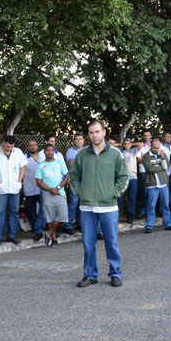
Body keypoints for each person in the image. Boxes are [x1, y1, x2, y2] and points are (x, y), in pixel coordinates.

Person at [69, 120, 129, 288]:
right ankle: (90, 275)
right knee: (88, 244)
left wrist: (114, 193)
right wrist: (81, 192)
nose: (94, 135)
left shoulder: (115, 154)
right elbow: (73, 176)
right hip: (87, 207)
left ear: (103, 132)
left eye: (97, 131)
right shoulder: (81, 155)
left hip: (109, 207)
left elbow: (123, 177)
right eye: (91, 132)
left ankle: (115, 273)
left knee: (111, 242)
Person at [0, 135, 27, 247]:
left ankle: (11, 236)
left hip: (15, 187)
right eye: (7, 146)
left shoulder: (17, 152)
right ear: (3, 142)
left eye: (11, 147)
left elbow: (22, 167)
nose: (9, 149)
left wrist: (19, 181)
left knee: (14, 212)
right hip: (2, 188)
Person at [35, 143, 69, 246]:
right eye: (47, 150)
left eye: (51, 150)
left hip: (60, 193)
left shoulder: (60, 163)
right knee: (50, 217)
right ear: (44, 152)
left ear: (54, 151)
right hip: (47, 194)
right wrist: (50, 189)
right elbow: (39, 182)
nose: (49, 152)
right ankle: (53, 239)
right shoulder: (40, 166)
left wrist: (57, 188)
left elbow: (67, 176)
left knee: (63, 216)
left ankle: (48, 233)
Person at [143, 139, 171, 232]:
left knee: (166, 205)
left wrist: (162, 159)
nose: (156, 149)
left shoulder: (162, 155)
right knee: (151, 206)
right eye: (154, 147)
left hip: (163, 183)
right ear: (150, 146)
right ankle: (149, 226)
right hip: (152, 184)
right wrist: (161, 166)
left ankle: (168, 224)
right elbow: (150, 169)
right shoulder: (146, 156)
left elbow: (167, 166)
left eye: (157, 148)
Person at [23, 140, 47, 241]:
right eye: (30, 145)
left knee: (43, 208)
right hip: (29, 187)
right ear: (27, 147)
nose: (32, 147)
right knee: (31, 210)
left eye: (34, 145)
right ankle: (35, 227)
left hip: (41, 187)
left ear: (37, 146)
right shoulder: (24, 158)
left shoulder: (43, 156)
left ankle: (40, 226)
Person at [65, 132, 86, 232]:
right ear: (74, 141)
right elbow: (71, 163)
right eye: (76, 139)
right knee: (73, 202)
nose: (78, 141)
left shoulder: (87, 150)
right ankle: (67, 224)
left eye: (80, 139)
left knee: (82, 203)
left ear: (83, 140)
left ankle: (79, 223)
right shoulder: (70, 151)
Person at [118, 138, 139, 223]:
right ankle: (117, 216)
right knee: (119, 198)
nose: (126, 145)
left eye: (128, 144)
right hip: (122, 178)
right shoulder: (119, 152)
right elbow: (110, 146)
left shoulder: (133, 151)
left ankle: (130, 216)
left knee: (132, 198)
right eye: (125, 144)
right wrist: (119, 144)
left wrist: (132, 144)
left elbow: (141, 144)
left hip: (133, 178)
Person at [136, 129, 153, 218]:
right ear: (143, 136)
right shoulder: (141, 146)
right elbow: (138, 159)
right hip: (144, 171)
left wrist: (145, 158)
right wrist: (148, 158)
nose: (147, 137)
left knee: (152, 192)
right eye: (145, 135)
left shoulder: (154, 145)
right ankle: (144, 211)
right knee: (145, 192)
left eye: (148, 135)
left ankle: (150, 211)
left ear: (150, 136)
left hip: (153, 170)